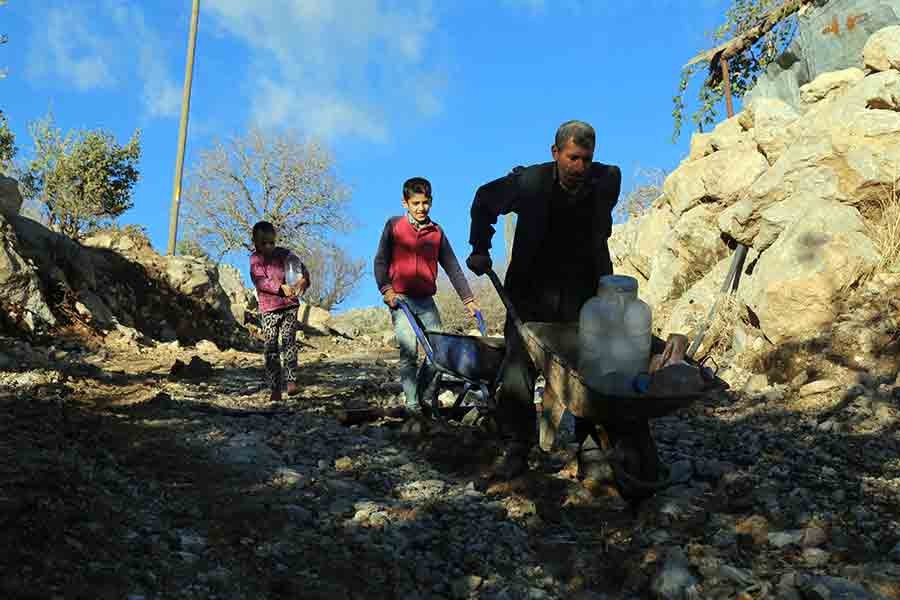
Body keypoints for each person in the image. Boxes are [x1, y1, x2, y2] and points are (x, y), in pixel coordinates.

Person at [465, 120, 622, 479]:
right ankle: (518, 447)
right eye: (571, 158)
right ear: (555, 153)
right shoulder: (529, 182)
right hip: (529, 293)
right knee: (519, 368)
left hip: (582, 293)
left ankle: (591, 448)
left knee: (590, 368)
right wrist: (479, 247)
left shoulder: (606, 180)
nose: (578, 168)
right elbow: (484, 199)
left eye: (585, 159)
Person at [374, 177, 481, 413]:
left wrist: (468, 300)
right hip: (400, 298)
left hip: (425, 301)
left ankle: (421, 395)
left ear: (431, 201)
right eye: (416, 203)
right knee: (408, 350)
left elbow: (452, 267)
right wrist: (387, 289)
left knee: (439, 352)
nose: (421, 208)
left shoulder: (436, 232)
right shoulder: (394, 226)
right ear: (405, 203)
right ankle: (412, 404)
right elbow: (380, 260)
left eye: (425, 203)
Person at [249, 220, 310, 403]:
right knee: (271, 348)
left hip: (289, 306)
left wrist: (303, 280)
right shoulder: (255, 259)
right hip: (269, 309)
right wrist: (279, 288)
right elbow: (259, 280)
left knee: (289, 342)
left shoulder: (285, 254)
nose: (268, 246)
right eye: (263, 243)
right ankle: (275, 387)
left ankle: (291, 380)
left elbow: (301, 269)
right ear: (255, 243)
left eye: (271, 242)